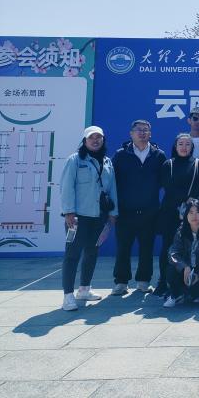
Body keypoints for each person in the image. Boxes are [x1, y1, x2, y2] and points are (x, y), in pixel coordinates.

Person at [59, 126, 118, 311]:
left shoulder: (107, 162)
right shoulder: (75, 160)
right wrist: (69, 212)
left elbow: (112, 188)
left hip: (99, 216)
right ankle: (68, 296)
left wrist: (113, 213)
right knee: (72, 255)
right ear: (85, 141)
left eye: (99, 137)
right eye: (91, 137)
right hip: (78, 217)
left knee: (92, 253)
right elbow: (66, 187)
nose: (95, 140)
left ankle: (84, 289)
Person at [110, 119, 167, 296]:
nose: (142, 133)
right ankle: (121, 282)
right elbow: (112, 181)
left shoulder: (158, 155)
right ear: (131, 133)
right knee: (123, 248)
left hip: (149, 211)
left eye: (145, 130)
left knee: (147, 248)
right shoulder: (121, 155)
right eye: (138, 130)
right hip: (125, 211)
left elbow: (163, 181)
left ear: (150, 134)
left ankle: (143, 281)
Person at [155, 133, 199, 296]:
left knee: (191, 247)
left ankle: (189, 282)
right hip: (170, 212)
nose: (184, 147)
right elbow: (167, 186)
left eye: (187, 144)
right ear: (175, 146)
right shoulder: (168, 164)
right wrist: (184, 198)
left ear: (192, 147)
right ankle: (163, 282)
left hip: (191, 213)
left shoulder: (198, 164)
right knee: (167, 247)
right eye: (181, 144)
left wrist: (190, 200)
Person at [163, 198, 199, 307]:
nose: (194, 216)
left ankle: (197, 292)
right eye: (191, 212)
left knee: (194, 294)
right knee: (171, 270)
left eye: (198, 212)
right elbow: (173, 253)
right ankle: (176, 295)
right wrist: (184, 267)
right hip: (186, 270)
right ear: (186, 215)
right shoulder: (181, 232)